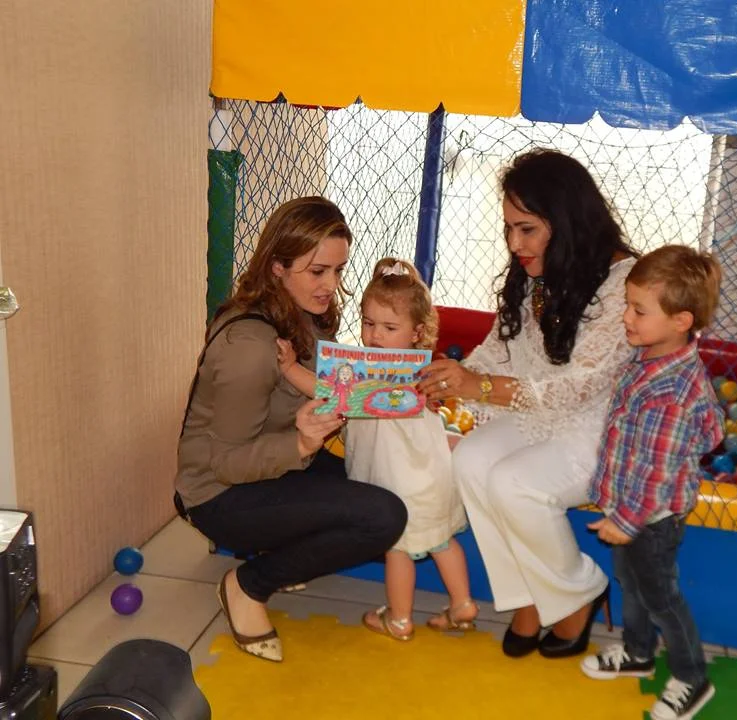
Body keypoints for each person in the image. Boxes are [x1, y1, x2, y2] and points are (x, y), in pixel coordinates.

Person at [418, 148, 637, 659]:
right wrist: (449, 378)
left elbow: (578, 388)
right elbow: (499, 350)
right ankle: (528, 599)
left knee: (514, 483)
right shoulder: (538, 271)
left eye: (527, 229)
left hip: (601, 427)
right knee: (471, 460)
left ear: (566, 221)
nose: (514, 244)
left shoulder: (625, 282)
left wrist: (478, 386)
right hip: (538, 414)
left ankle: (579, 592)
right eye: (509, 229)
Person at [175, 197, 408, 663]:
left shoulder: (301, 312)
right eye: (318, 271)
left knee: (389, 482)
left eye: (338, 270)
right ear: (277, 267)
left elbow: (329, 384)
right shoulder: (249, 346)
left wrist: (402, 386)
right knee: (383, 516)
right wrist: (301, 442)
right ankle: (248, 585)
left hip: (277, 464)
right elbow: (225, 464)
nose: (331, 286)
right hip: (218, 494)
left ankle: (282, 552)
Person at [279, 257, 476, 641]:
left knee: (397, 549)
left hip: (398, 486)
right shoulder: (421, 371)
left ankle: (399, 619)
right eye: (368, 323)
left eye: (389, 327)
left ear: (418, 332)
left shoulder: (376, 373)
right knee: (441, 540)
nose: (375, 336)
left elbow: (325, 391)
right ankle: (463, 604)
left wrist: (289, 369)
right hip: (431, 479)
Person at [581, 245, 724, 720]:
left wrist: (625, 519)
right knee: (631, 582)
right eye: (628, 305)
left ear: (681, 321)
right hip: (630, 506)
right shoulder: (650, 357)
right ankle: (638, 652)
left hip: (651, 517)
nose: (626, 317)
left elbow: (658, 473)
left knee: (661, 597)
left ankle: (692, 678)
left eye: (639, 310)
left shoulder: (672, 391)